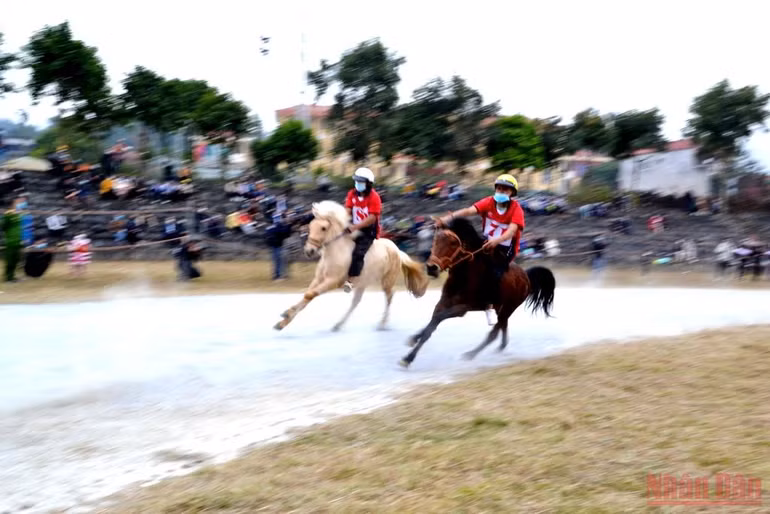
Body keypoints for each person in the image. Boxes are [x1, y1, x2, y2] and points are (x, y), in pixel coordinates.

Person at [434, 174, 525, 325]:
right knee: (465, 259)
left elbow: (510, 232)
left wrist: (497, 241)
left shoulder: (516, 209)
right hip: (486, 242)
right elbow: (469, 211)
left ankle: (489, 304)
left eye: (506, 190)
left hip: (505, 248)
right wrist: (448, 218)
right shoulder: (488, 202)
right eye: (500, 188)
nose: (502, 191)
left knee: (494, 272)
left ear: (512, 193)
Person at [342, 167, 382, 293]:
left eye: (360, 182)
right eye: (356, 181)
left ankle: (351, 280)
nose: (357, 184)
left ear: (369, 184)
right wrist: (343, 220)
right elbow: (348, 209)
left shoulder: (374, 197)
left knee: (358, 253)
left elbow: (371, 218)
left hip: (368, 232)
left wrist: (356, 227)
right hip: (353, 227)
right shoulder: (352, 193)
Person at [2, 197, 25, 282]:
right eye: (18, 201)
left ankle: (12, 276)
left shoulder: (19, 214)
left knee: (16, 260)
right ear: (13, 203)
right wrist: (9, 235)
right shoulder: (8, 214)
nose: (20, 203)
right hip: (11, 241)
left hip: (18, 240)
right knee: (10, 260)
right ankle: (8, 277)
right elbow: (3, 226)